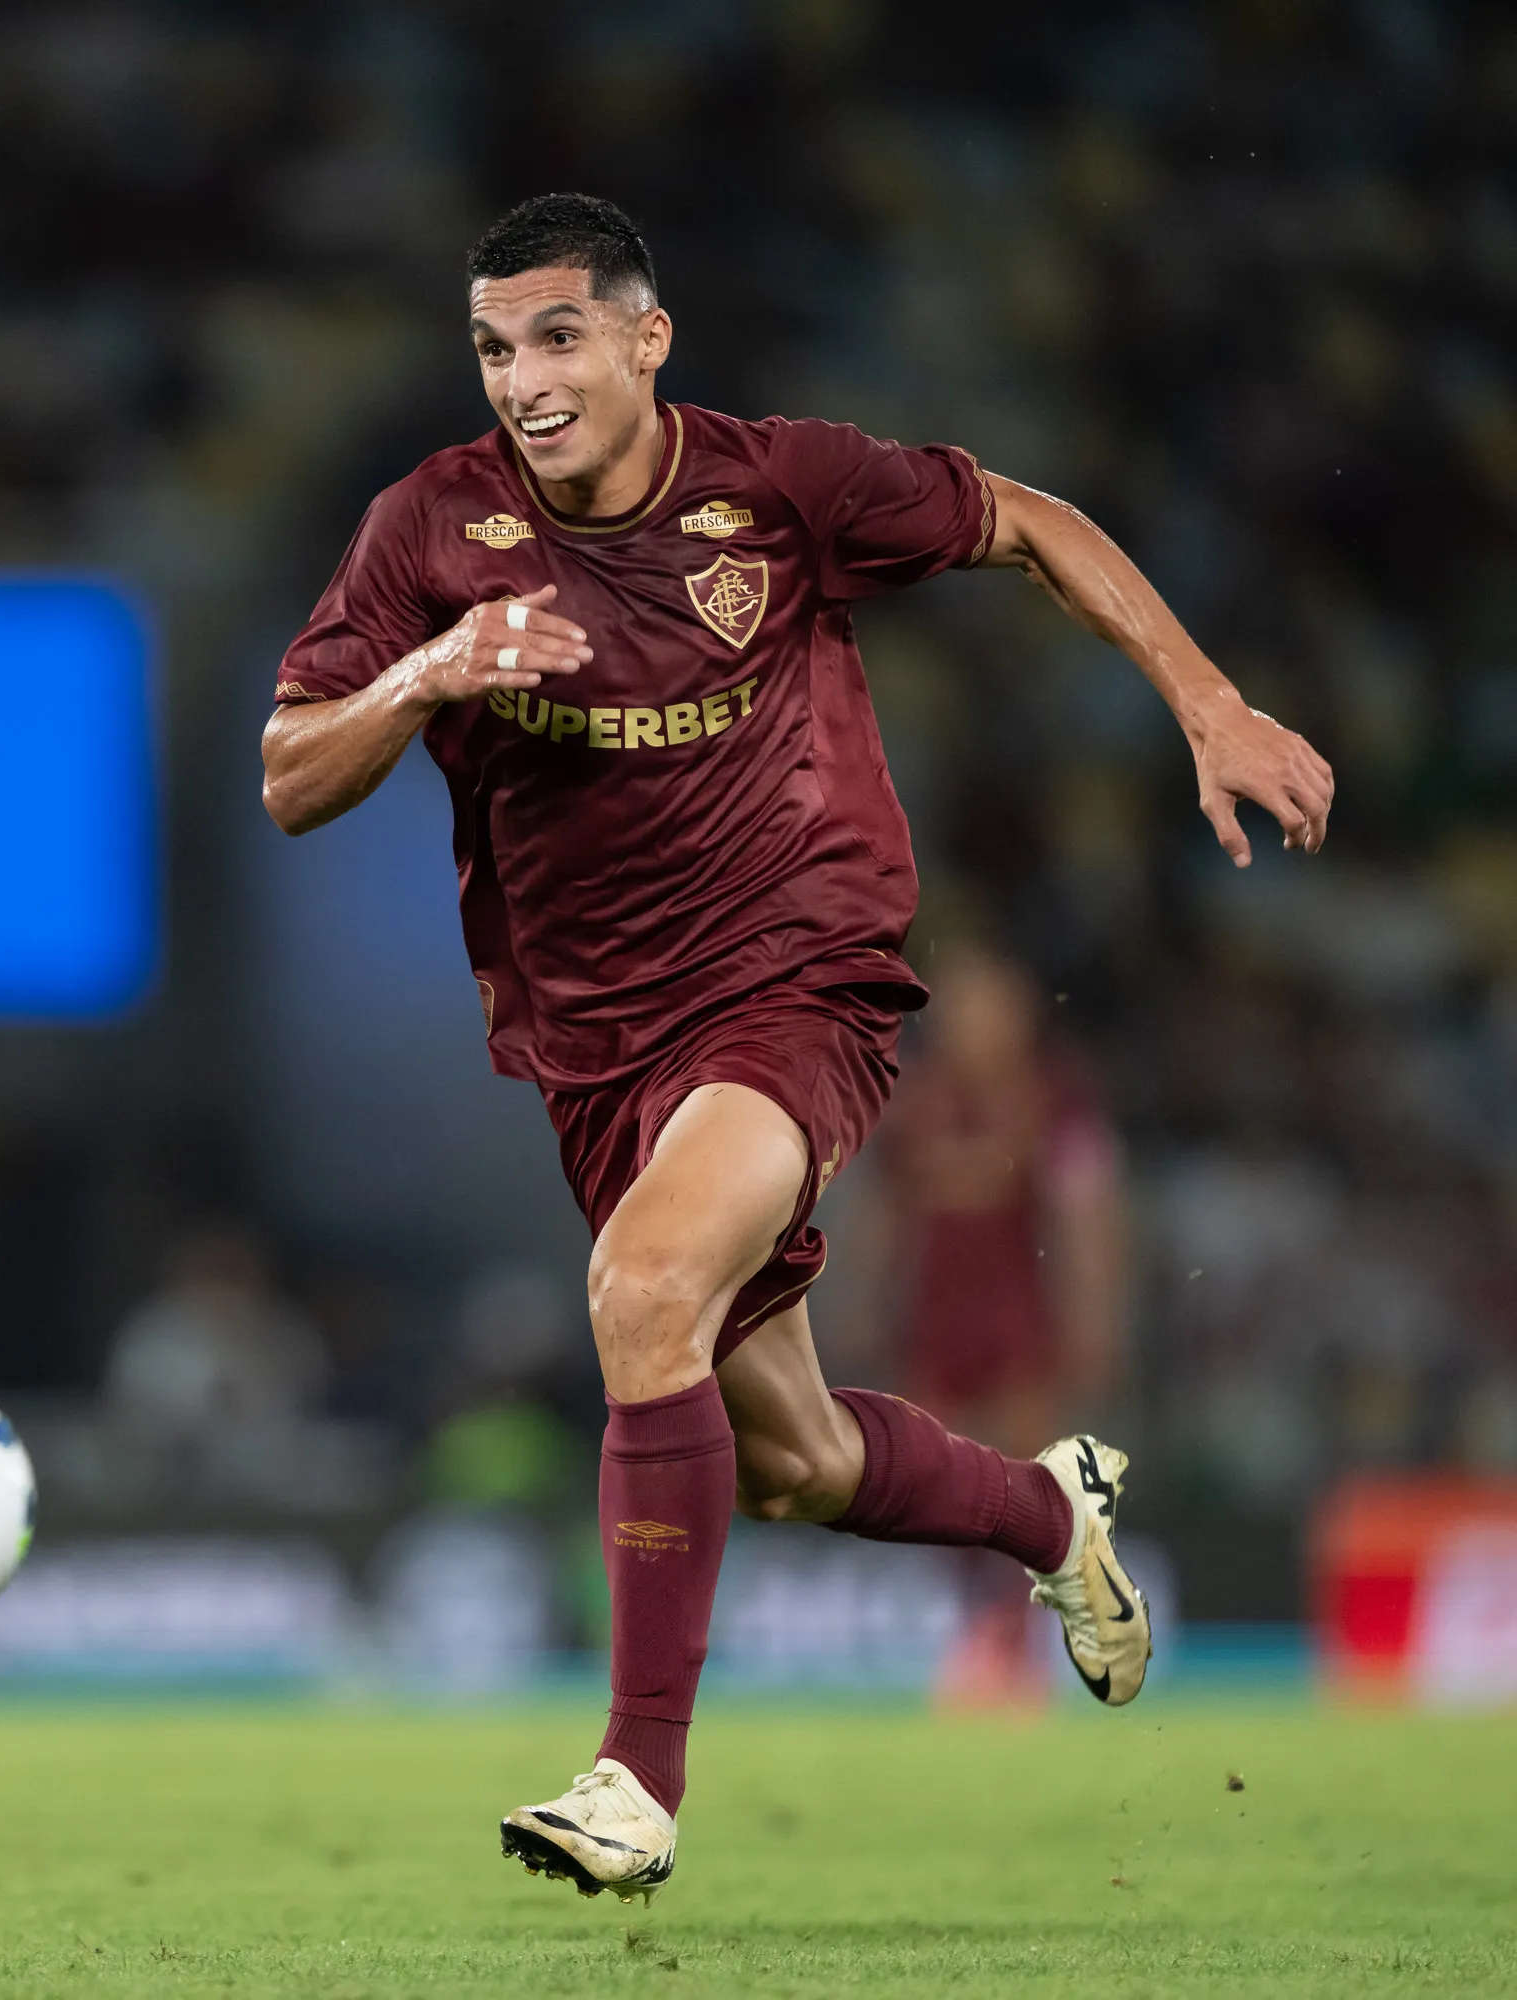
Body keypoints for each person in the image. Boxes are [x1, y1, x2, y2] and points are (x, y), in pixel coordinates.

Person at [260, 194, 1333, 1900]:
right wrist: (430, 673)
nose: (524, 381)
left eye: (557, 337)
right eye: (493, 348)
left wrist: (1209, 701)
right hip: (598, 1052)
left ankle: (635, 1779)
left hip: (795, 983)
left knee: (641, 1291)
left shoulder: (781, 488)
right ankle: (1054, 1521)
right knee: (795, 1461)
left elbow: (1033, 522)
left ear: (645, 340)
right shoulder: (431, 528)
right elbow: (290, 774)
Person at [876, 944, 1129, 1704]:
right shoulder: (913, 1099)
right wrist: (861, 1301)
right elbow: (886, 1213)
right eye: (965, 1010)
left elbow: (1088, 1213)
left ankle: (1016, 1646)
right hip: (936, 1319)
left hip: (1020, 1318)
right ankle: (973, 1631)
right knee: (933, 1486)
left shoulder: (1056, 1100)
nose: (978, 1025)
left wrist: (1096, 1314)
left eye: (993, 1010)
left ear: (1020, 1019)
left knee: (1028, 1481)